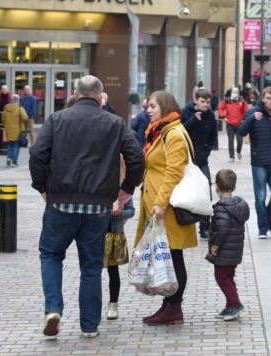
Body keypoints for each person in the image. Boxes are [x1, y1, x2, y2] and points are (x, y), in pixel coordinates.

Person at [29, 75, 144, 338]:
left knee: (50, 254)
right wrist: (127, 188)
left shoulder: (57, 120)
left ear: (76, 93)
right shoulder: (114, 123)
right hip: (98, 208)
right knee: (91, 266)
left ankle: (53, 308)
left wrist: (42, 187)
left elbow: (37, 154)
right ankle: (89, 326)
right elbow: (136, 156)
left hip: (60, 204)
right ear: (100, 95)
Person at [135, 90, 198, 326]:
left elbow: (173, 172)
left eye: (153, 106)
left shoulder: (173, 134)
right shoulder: (162, 131)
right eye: (148, 106)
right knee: (167, 257)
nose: (148, 109)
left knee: (173, 255)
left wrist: (160, 202)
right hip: (159, 205)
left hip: (168, 207)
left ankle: (174, 308)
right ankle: (167, 304)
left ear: (165, 106)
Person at [237, 86, 271, 239]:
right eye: (268, 98)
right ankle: (262, 228)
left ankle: (266, 216)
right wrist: (252, 119)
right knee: (260, 196)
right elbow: (241, 132)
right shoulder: (253, 112)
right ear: (263, 98)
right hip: (259, 161)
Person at [205, 169, 250, 321]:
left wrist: (215, 246)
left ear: (216, 187)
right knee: (228, 277)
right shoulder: (240, 205)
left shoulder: (221, 208)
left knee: (222, 277)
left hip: (224, 251)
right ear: (234, 187)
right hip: (235, 250)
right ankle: (230, 305)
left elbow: (222, 229)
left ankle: (236, 304)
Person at [181, 88, 218, 240]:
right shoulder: (186, 112)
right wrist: (193, 120)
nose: (205, 105)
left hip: (202, 161)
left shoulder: (210, 116)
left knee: (206, 191)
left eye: (208, 102)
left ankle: (204, 228)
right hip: (185, 160)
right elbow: (181, 132)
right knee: (184, 193)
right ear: (195, 100)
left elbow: (212, 138)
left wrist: (205, 152)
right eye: (202, 101)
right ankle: (183, 224)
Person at [104, 195, 135, 321]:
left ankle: (113, 305)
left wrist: (119, 213)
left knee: (113, 271)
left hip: (114, 234)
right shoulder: (96, 184)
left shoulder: (123, 192)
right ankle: (90, 306)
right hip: (95, 234)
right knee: (91, 272)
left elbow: (131, 211)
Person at [218, 87, 248, 162]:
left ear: (238, 93)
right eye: (233, 92)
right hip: (230, 123)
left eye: (236, 92)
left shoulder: (242, 101)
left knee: (240, 140)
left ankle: (238, 151)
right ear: (231, 93)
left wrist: (244, 119)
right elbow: (220, 109)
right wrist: (223, 117)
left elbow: (246, 111)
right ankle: (231, 156)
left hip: (239, 124)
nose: (234, 94)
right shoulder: (227, 100)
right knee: (230, 140)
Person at [2, 94, 28, 168]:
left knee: (10, 145)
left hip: (8, 130)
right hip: (18, 130)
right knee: (16, 146)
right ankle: (14, 162)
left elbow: (3, 119)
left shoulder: (6, 108)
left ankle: (8, 158)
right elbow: (25, 117)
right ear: (18, 100)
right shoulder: (19, 108)